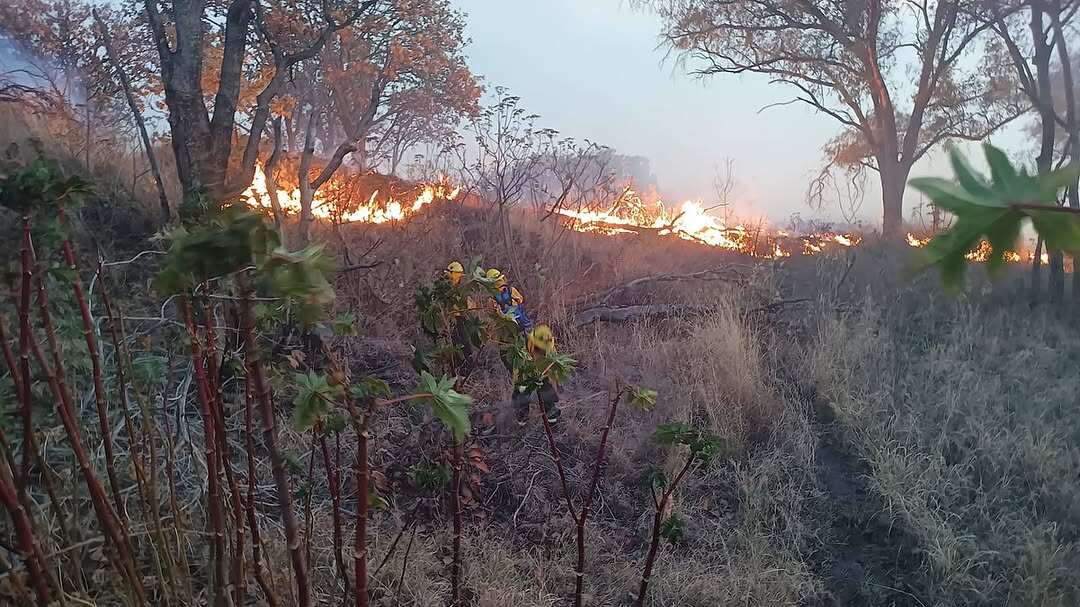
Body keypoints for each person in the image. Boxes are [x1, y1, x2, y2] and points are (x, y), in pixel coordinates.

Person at [485, 268, 560, 425]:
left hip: (527, 333)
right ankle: (522, 412)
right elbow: (493, 320)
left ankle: (550, 408)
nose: (500, 285)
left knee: (540, 370)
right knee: (520, 378)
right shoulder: (491, 301)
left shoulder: (511, 291)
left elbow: (521, 301)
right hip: (509, 342)